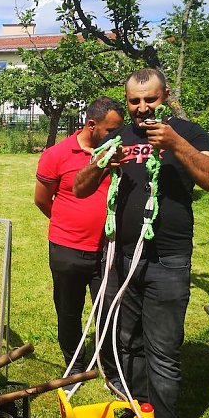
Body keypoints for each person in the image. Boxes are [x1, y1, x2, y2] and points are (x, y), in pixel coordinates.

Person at [74, 69, 209, 418]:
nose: (142, 108)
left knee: (163, 351)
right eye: (135, 101)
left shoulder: (188, 133)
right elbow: (80, 188)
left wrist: (175, 144)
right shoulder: (119, 137)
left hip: (167, 261)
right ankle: (136, 411)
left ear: (165, 96)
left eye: (150, 100)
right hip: (123, 259)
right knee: (127, 343)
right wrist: (101, 163)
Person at [34, 97, 125, 374]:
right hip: (67, 250)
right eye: (111, 130)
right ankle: (74, 364)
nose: (117, 136)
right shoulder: (57, 155)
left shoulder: (119, 155)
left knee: (110, 310)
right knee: (68, 311)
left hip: (108, 250)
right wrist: (68, 224)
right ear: (91, 125)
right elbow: (42, 200)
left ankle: (111, 368)